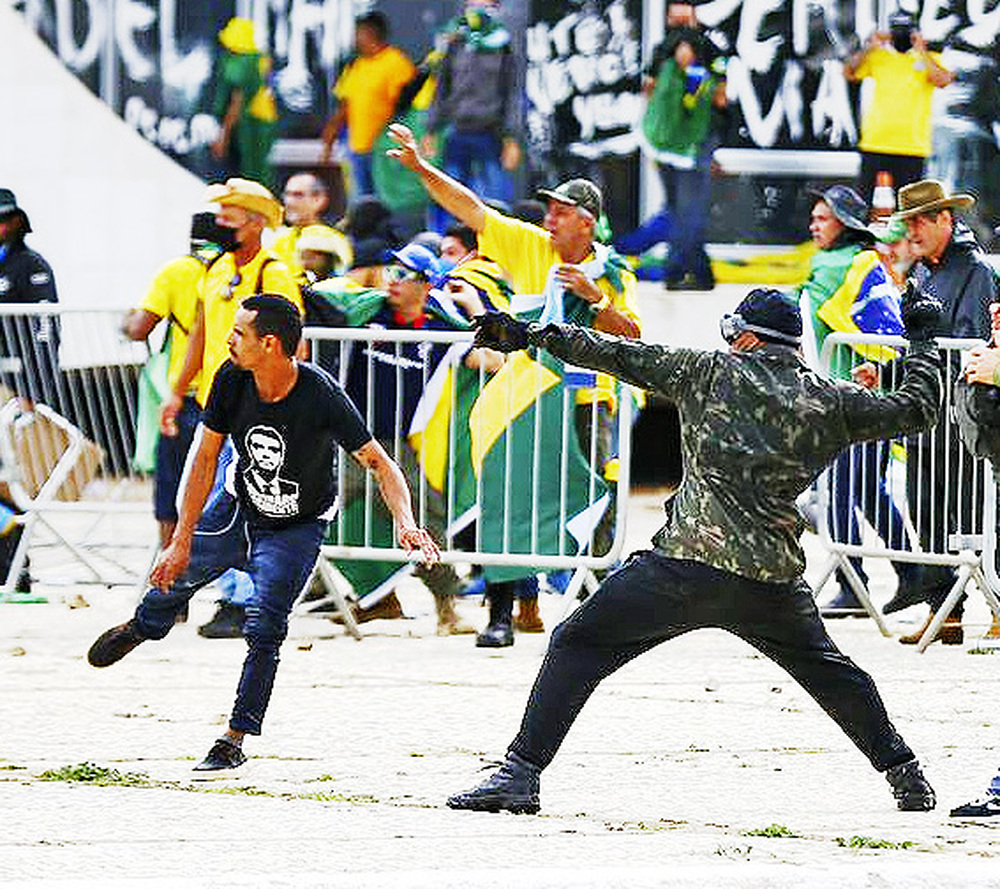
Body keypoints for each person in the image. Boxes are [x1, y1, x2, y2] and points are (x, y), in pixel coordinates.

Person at [446, 285, 944, 816]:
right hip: (770, 580)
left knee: (577, 643)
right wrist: (921, 339)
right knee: (832, 674)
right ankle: (906, 776)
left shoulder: (707, 372)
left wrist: (530, 335)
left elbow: (614, 353)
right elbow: (917, 409)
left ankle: (519, 774)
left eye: (733, 333)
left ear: (747, 338)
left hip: (683, 567)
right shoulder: (828, 399)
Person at [87, 296, 439, 770]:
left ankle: (233, 738)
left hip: (296, 527)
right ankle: (144, 627)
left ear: (269, 343)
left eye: (237, 333)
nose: (228, 340)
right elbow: (205, 459)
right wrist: (181, 539)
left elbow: (379, 462)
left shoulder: (320, 394)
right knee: (172, 580)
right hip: (236, 508)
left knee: (265, 626)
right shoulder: (231, 379)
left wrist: (407, 522)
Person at [388, 123, 641, 646]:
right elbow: (471, 208)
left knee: (587, 505)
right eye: (547, 211)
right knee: (506, 496)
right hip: (522, 398)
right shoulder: (531, 247)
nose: (547, 220)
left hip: (584, 403)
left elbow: (633, 336)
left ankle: (590, 612)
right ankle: (502, 613)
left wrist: (595, 299)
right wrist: (418, 169)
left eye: (559, 212)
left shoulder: (613, 271)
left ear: (586, 223)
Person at [160, 177, 303, 640]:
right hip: (216, 405)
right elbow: (201, 333)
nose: (219, 223)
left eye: (229, 216)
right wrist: (177, 390)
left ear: (255, 223)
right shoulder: (217, 267)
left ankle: (241, 601)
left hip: (256, 409)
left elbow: (292, 345)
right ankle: (206, 591)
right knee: (202, 501)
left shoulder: (274, 272)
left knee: (238, 505)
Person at [333, 242, 477, 636]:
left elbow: (490, 360)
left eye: (404, 274)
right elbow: (323, 297)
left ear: (427, 285)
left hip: (395, 444)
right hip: (349, 438)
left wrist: (474, 309)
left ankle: (447, 605)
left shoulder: (441, 327)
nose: (391, 281)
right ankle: (375, 597)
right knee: (315, 513)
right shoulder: (368, 313)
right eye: (390, 271)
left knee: (424, 519)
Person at [796, 185, 921, 618]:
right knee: (866, 491)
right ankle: (914, 573)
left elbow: (806, 317)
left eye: (823, 218)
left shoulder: (839, 266)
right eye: (813, 218)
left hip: (856, 400)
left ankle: (853, 584)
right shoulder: (863, 263)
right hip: (868, 398)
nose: (814, 225)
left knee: (842, 492)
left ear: (844, 225)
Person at [880, 180, 995, 645]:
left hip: (961, 414)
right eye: (908, 223)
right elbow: (921, 345)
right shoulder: (924, 273)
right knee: (926, 515)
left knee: (972, 515)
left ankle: (994, 603)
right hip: (928, 417)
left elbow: (966, 339)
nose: (912, 231)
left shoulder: (976, 272)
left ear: (945, 219)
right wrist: (887, 377)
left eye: (919, 222)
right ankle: (943, 610)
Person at [122, 212, 223, 551]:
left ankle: (171, 574)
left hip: (187, 394)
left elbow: (139, 329)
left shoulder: (178, 271)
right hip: (231, 393)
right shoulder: (236, 271)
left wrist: (125, 322)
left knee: (173, 486)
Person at [640, 5, 727, 290]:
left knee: (689, 210)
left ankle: (676, 270)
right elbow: (649, 88)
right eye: (675, 20)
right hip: (666, 143)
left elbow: (721, 97)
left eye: (685, 19)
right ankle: (700, 272)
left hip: (697, 143)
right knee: (680, 210)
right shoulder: (661, 52)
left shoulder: (711, 50)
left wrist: (695, 80)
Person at [0, 187, 60, 598]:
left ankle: (16, 569)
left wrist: (33, 392)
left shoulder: (31, 265)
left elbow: (44, 330)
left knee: (11, 482)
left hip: (11, 388)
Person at [423, 0, 521, 232]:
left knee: (496, 201)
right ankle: (450, 246)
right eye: (472, 3)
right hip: (456, 131)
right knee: (450, 196)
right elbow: (442, 89)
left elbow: (512, 94)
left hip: (490, 133)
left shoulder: (503, 45)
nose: (476, 9)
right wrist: (431, 130)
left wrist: (511, 138)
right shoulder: (456, 42)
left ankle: (497, 249)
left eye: (483, 4)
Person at [844, 10, 953, 202]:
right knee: (861, 203)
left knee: (909, 208)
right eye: (897, 31)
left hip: (911, 145)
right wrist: (869, 47)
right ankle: (858, 234)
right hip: (875, 141)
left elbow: (943, 80)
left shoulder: (929, 57)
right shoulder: (878, 56)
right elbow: (849, 72)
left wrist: (921, 51)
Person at [320, 12, 416, 202]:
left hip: (384, 149)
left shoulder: (396, 63)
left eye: (358, 33)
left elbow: (405, 108)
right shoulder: (357, 65)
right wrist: (330, 134)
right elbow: (345, 105)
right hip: (356, 147)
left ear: (370, 32)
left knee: (385, 201)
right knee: (360, 200)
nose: (355, 38)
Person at [210, 18, 279, 189]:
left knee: (249, 177)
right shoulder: (260, 59)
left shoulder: (242, 63)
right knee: (260, 174)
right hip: (264, 120)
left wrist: (224, 135)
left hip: (250, 124)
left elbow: (237, 101)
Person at [267, 172, 352, 283]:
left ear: (319, 200)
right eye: (287, 194)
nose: (289, 202)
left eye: (298, 195)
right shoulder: (279, 239)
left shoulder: (333, 240)